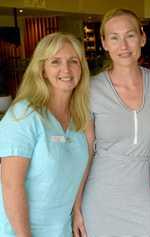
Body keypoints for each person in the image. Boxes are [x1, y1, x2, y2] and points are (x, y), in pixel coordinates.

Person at [72, 8, 150, 237]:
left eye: (130, 35)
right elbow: (84, 151)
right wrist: (76, 206)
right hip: (101, 196)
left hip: (147, 194)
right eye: (114, 38)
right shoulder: (91, 89)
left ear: (142, 38)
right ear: (104, 43)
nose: (123, 46)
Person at [0, 32, 90, 237]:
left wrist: (76, 210)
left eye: (73, 61)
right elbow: (11, 186)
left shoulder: (79, 119)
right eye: (55, 62)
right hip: (21, 231)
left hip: (61, 230)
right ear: (42, 70)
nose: (65, 69)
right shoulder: (24, 115)